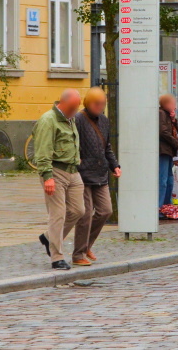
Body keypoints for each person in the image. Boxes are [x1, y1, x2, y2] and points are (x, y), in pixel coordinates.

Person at [34, 89, 85, 270]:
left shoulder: (71, 118)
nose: (75, 111)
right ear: (62, 103)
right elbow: (43, 151)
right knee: (58, 214)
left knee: (78, 210)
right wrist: (47, 176)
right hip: (55, 171)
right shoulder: (48, 120)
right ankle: (57, 258)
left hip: (73, 170)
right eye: (72, 108)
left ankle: (48, 237)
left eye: (77, 108)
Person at [71, 87, 120, 266]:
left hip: (100, 173)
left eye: (103, 104)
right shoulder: (78, 119)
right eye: (97, 104)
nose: (100, 107)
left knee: (106, 210)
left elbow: (107, 147)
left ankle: (87, 245)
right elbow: (72, 143)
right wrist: (76, 161)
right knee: (85, 215)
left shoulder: (104, 121)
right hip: (83, 174)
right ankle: (78, 254)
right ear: (88, 103)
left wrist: (115, 165)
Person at [158, 94, 178, 215]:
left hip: (169, 151)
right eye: (173, 104)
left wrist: (174, 120)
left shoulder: (168, 116)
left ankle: (166, 206)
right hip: (163, 150)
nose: (175, 106)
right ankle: (159, 208)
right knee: (163, 180)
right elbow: (163, 132)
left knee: (169, 180)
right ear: (167, 104)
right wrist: (177, 144)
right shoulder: (161, 114)